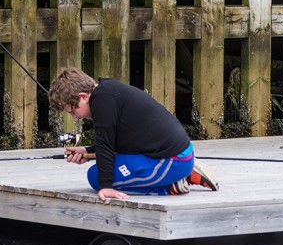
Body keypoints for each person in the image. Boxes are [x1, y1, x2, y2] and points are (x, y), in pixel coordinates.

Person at [48, 67, 219, 200]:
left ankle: (172, 185)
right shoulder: (106, 90)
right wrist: (87, 151)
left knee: (95, 177)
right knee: (99, 170)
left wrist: (105, 187)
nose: (74, 116)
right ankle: (181, 174)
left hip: (170, 160)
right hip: (173, 155)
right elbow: (117, 141)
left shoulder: (101, 104)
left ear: (83, 96)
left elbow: (106, 145)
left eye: (72, 111)